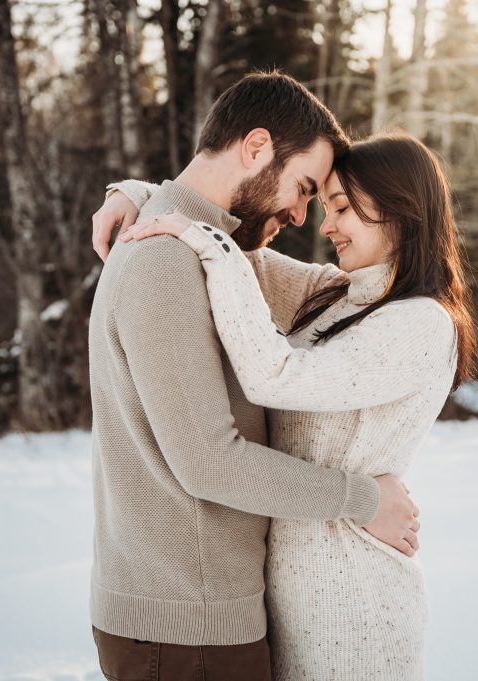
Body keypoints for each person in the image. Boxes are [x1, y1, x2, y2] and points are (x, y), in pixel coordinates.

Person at [87, 72, 420, 681]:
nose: (301, 214)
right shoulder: (165, 262)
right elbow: (210, 463)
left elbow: (341, 294)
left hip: (192, 620)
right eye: (303, 188)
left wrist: (140, 189)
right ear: (256, 146)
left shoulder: (215, 252)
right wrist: (363, 500)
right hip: (186, 631)